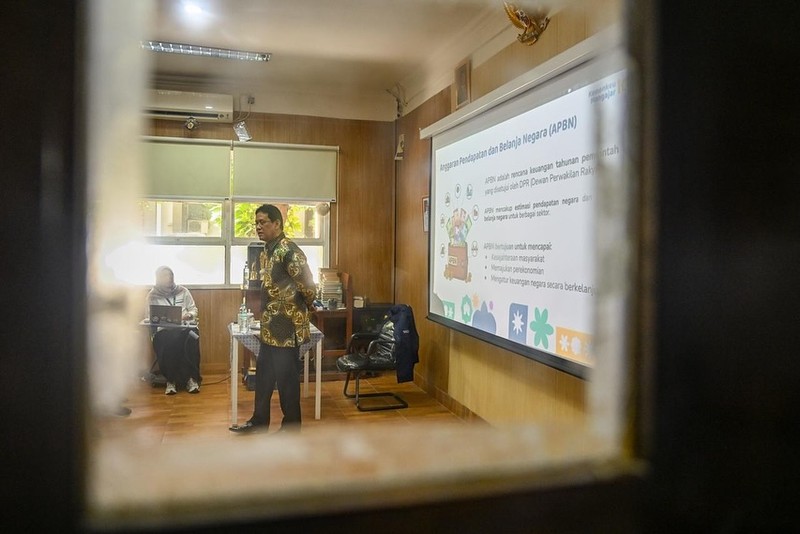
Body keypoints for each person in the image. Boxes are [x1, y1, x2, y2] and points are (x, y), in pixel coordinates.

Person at [231, 204, 316, 433]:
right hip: (270, 328)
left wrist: (306, 305)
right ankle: (259, 422)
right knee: (264, 377)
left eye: (263, 222)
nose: (258, 227)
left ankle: (291, 430)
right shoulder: (268, 250)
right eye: (256, 223)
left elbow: (309, 287)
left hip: (286, 329)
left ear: (277, 224)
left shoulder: (289, 250)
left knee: (287, 383)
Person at [146, 266, 202, 395]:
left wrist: (187, 315)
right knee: (170, 340)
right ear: (158, 279)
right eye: (165, 276)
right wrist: (161, 319)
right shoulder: (152, 296)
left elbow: (194, 309)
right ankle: (171, 380)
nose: (169, 278)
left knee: (193, 337)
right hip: (163, 331)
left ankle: (191, 379)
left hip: (185, 327)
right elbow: (150, 316)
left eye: (170, 276)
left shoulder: (183, 291)